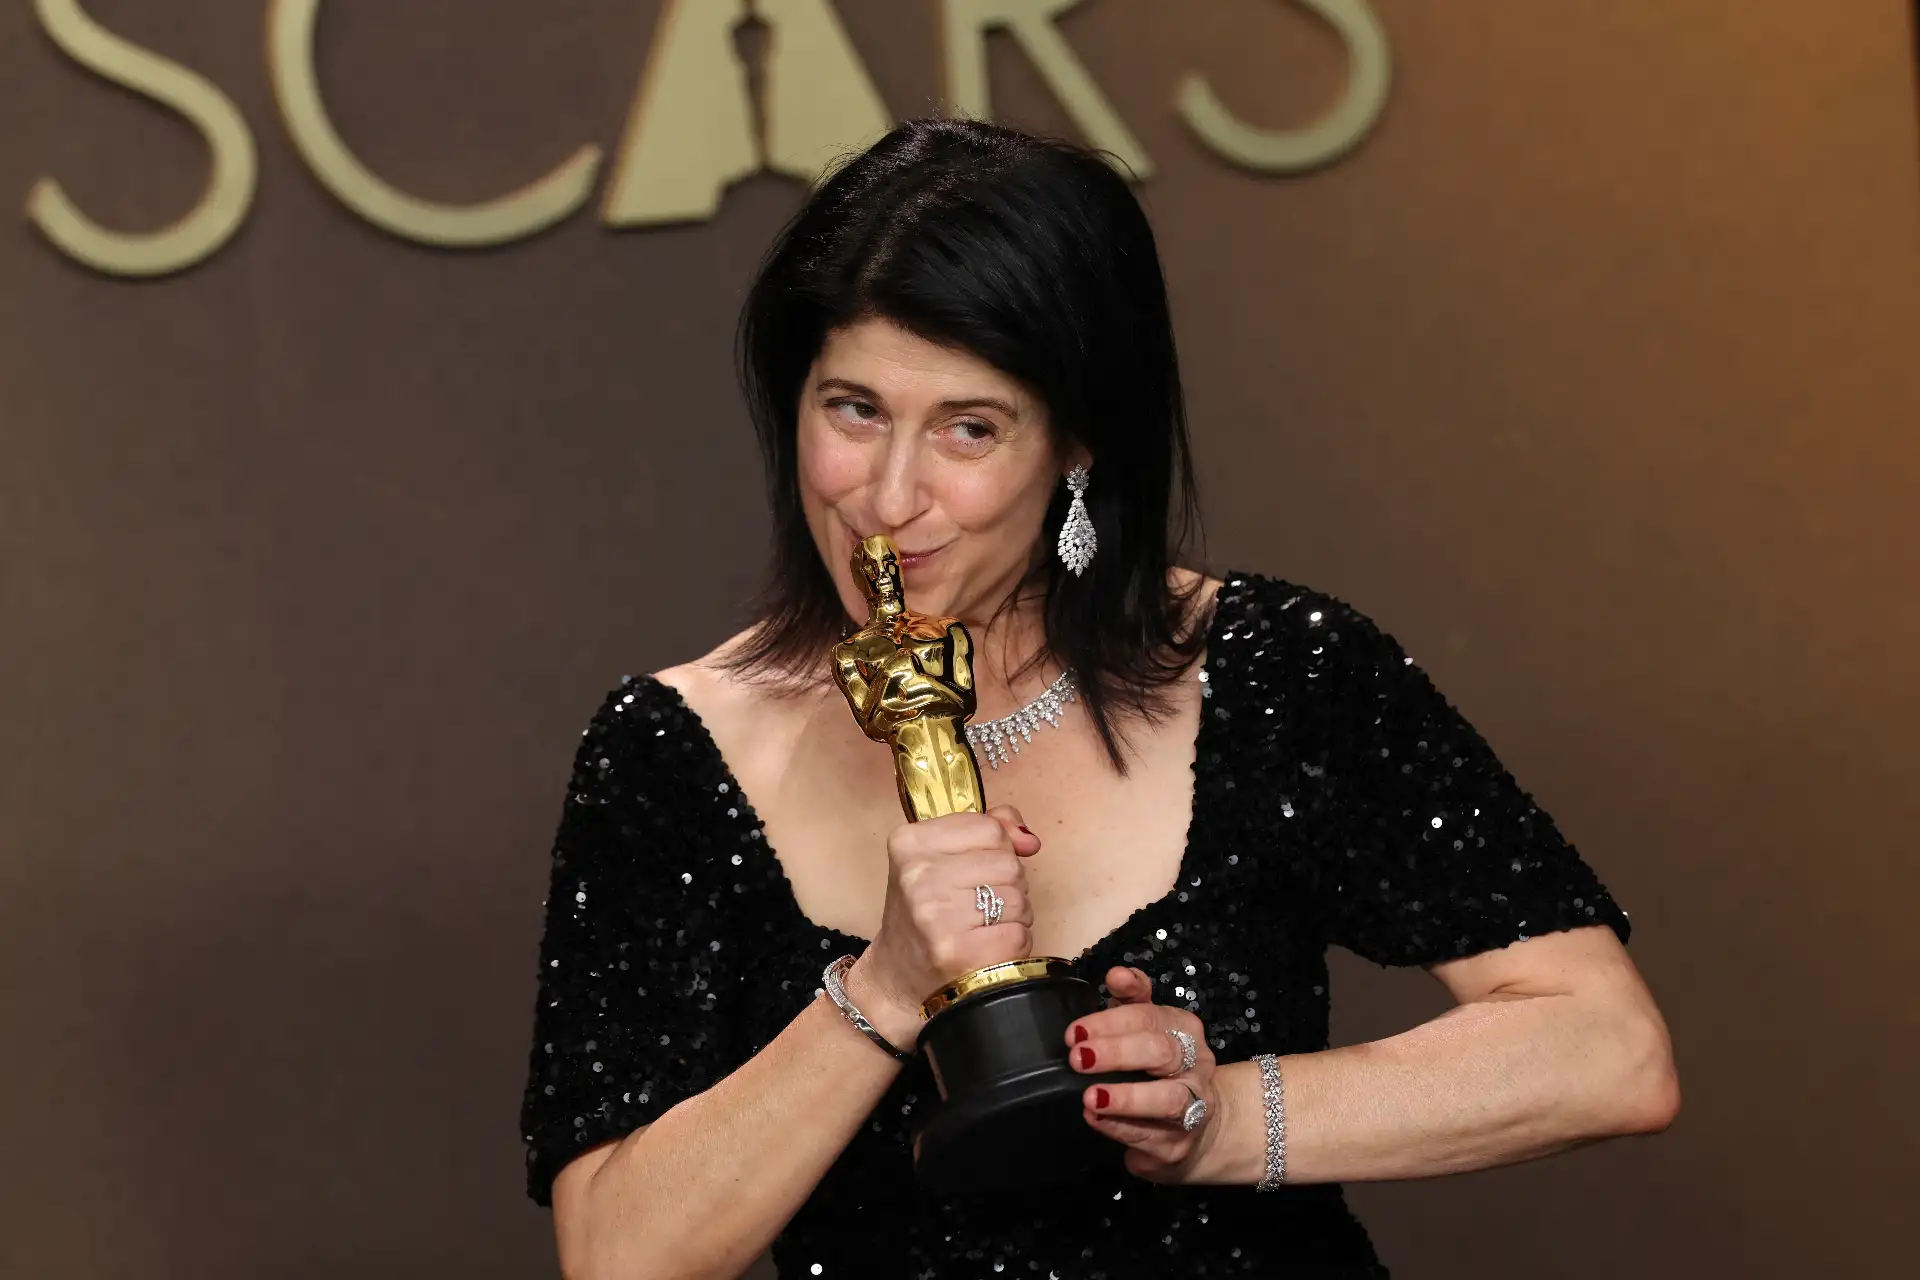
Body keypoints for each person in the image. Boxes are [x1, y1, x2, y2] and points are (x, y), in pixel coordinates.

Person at [518, 117, 1679, 1279]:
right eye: (854, 409)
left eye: (969, 428)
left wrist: (1226, 1116)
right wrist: (881, 989)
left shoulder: (1275, 671)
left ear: (1077, 444)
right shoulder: (674, 749)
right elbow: (619, 1253)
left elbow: (1606, 1051)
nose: (888, 494)